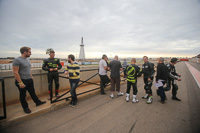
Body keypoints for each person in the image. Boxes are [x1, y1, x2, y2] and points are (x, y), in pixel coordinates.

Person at [12, 47, 46, 114]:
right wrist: (20, 82)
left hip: (29, 80)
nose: (31, 53)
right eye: (29, 52)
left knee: (32, 92)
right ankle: (25, 108)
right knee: (23, 95)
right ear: (25, 52)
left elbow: (29, 69)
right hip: (22, 81)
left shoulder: (27, 60)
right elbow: (15, 72)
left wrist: (31, 77)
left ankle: (37, 102)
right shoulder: (17, 60)